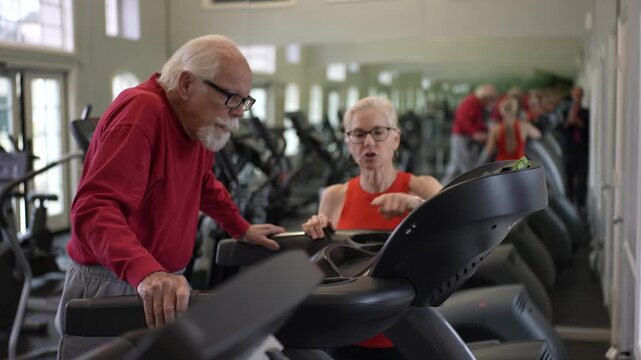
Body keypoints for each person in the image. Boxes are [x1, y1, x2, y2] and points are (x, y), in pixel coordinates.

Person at [55, 35, 285, 358]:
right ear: (188, 84)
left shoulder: (197, 127)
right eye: (232, 98)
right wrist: (145, 272)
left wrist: (240, 227)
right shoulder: (142, 112)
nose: (239, 114)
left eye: (245, 101)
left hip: (164, 280)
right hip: (116, 280)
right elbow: (94, 210)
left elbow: (203, 183)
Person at [302, 96, 442, 359]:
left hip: (407, 333)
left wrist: (417, 207)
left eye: (378, 132)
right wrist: (316, 234)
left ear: (396, 139)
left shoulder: (422, 187)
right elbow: (325, 273)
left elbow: (455, 238)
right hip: (347, 331)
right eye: (358, 134)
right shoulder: (334, 195)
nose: (368, 142)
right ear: (348, 142)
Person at [441, 84, 497, 184]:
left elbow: (476, 121)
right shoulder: (471, 102)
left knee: (456, 166)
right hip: (461, 137)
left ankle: (441, 189)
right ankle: (470, 187)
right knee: (467, 166)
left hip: (462, 136)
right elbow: (463, 120)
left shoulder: (478, 104)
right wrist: (475, 133)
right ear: (485, 97)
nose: (490, 102)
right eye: (490, 99)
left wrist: (484, 129)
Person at [479, 97, 541, 163]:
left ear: (501, 111)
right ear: (515, 110)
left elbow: (488, 151)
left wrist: (478, 165)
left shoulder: (495, 129)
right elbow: (538, 134)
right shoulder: (524, 126)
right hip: (519, 166)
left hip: (502, 166)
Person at [561, 86, 590, 209]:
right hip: (569, 149)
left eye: (579, 95)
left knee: (582, 177)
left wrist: (578, 122)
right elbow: (561, 129)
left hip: (581, 149)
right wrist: (569, 121)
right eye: (575, 95)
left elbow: (588, 130)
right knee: (569, 177)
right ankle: (569, 203)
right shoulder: (565, 111)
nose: (577, 98)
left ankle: (581, 205)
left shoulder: (586, 112)